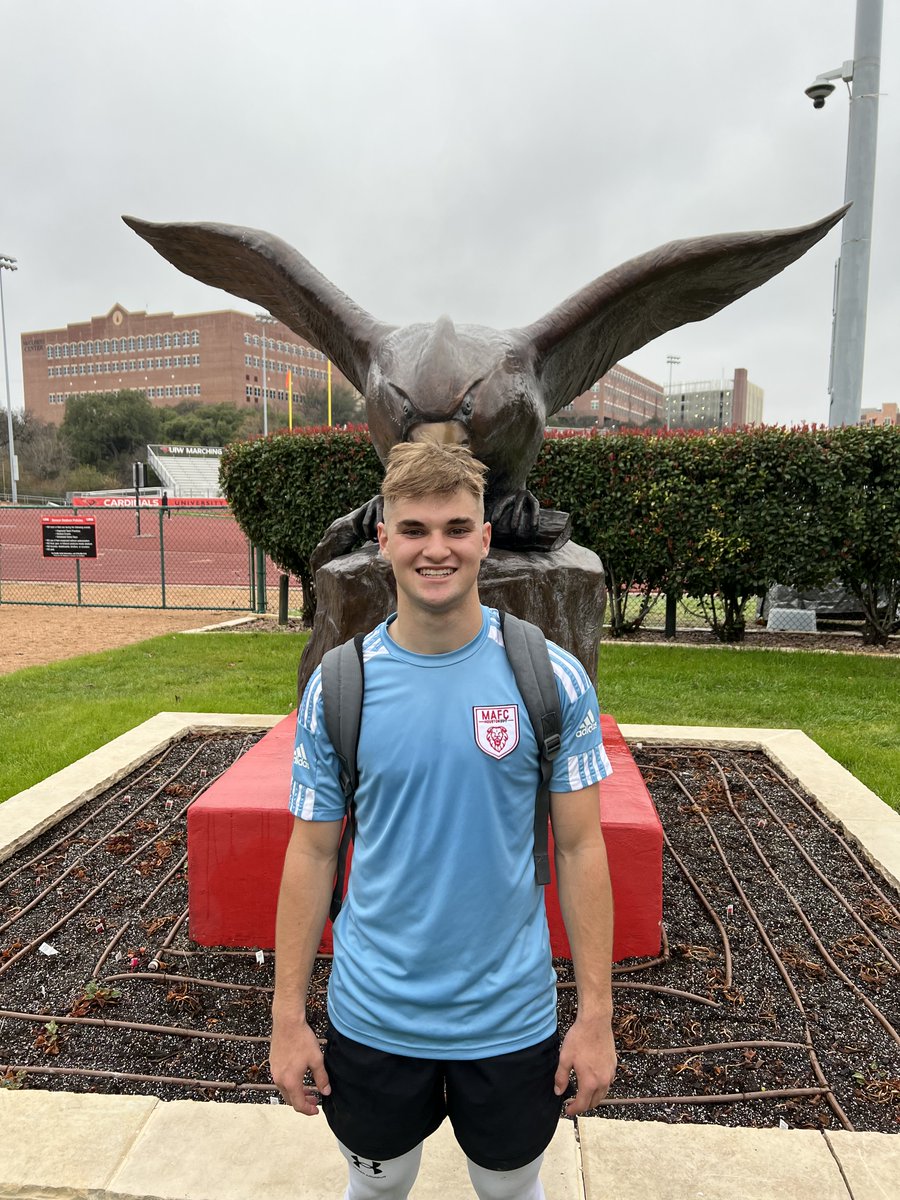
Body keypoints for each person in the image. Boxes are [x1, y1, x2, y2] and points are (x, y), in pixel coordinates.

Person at [270, 442, 617, 1200]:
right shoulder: (339, 687)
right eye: (416, 528)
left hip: (511, 1021)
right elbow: (312, 853)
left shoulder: (549, 678)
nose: (437, 548)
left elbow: (583, 847)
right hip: (373, 1018)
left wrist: (596, 1017)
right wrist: (286, 1017)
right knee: (379, 1186)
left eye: (457, 528)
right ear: (385, 541)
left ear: (485, 541)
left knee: (508, 1190)